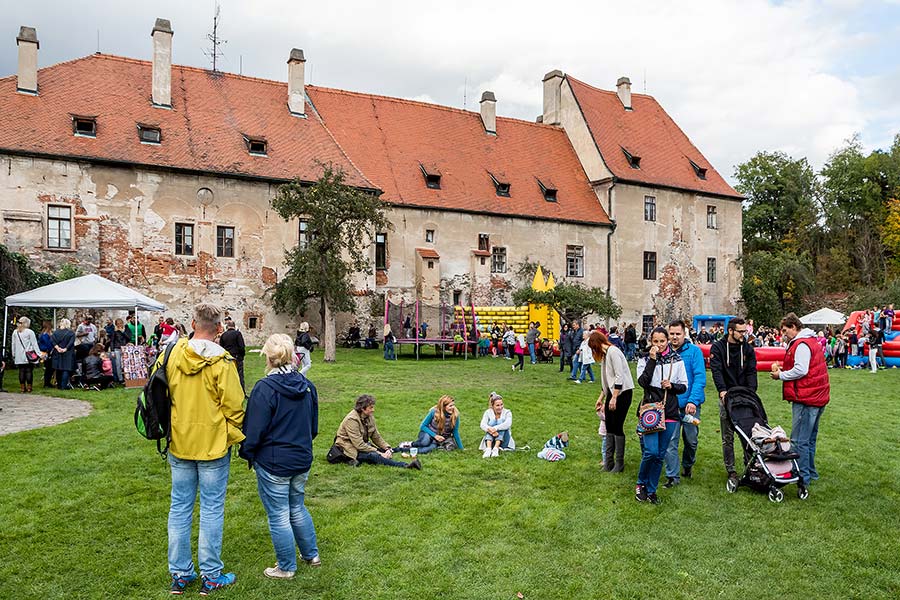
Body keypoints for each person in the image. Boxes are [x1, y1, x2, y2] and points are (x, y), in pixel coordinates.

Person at [162, 303, 245, 596]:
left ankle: (181, 573)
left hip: (181, 439)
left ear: (193, 323)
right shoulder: (221, 362)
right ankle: (210, 574)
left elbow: (161, 392)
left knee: (180, 508)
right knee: (210, 509)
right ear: (218, 328)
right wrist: (231, 432)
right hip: (211, 443)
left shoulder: (170, 355)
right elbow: (235, 406)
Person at [240, 334, 321, 580]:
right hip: (299, 456)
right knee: (296, 506)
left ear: (268, 356)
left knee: (279, 513)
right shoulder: (307, 386)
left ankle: (286, 566)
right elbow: (313, 427)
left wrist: (248, 452)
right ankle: (311, 555)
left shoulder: (266, 389)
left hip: (276, 460)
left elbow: (254, 429)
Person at [771, 313, 830, 499]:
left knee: (799, 441)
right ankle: (810, 472)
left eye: (785, 330)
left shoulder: (801, 344)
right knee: (810, 439)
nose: (784, 334)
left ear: (794, 327)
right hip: (818, 396)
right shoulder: (811, 341)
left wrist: (780, 375)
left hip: (807, 398)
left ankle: (801, 477)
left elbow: (801, 370)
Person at [635, 327, 688, 505]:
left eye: (662, 341)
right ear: (651, 341)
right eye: (655, 341)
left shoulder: (676, 360)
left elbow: (684, 386)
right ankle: (640, 483)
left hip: (670, 410)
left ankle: (651, 489)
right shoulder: (644, 358)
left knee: (660, 455)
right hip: (650, 409)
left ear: (667, 341)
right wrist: (652, 360)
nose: (658, 345)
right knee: (651, 451)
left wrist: (671, 385)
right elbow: (642, 382)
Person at [709, 318, 757, 487]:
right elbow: (717, 371)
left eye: (745, 331)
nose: (744, 334)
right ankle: (731, 470)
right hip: (727, 396)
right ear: (731, 331)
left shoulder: (748, 349)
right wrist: (722, 390)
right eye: (741, 331)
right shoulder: (718, 348)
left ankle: (751, 468)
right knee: (727, 436)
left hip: (745, 396)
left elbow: (752, 371)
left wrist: (752, 391)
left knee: (748, 435)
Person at [663, 320, 707, 487]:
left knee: (691, 439)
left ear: (684, 334)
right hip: (671, 406)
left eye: (677, 334)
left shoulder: (694, 352)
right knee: (670, 440)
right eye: (672, 334)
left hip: (690, 406)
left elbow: (700, 378)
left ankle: (687, 465)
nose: (674, 337)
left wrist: (693, 401)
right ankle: (672, 476)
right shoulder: (664, 353)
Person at [333, 395, 420, 469]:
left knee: (384, 450)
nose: (373, 410)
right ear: (363, 409)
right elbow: (358, 445)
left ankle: (395, 451)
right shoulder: (351, 420)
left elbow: (376, 436)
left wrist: (387, 448)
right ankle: (405, 465)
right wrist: (380, 453)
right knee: (373, 455)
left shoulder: (369, 416)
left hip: (362, 444)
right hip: (348, 447)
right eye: (371, 407)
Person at [592, 331, 633, 472]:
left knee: (617, 426)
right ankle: (608, 462)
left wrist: (615, 397)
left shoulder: (613, 352)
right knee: (609, 425)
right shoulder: (605, 355)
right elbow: (606, 380)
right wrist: (601, 398)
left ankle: (619, 464)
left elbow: (619, 376)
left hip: (623, 393)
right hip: (612, 392)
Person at [479, 392, 514, 458]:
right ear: (492, 406)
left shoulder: (507, 412)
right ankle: (489, 449)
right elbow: (482, 424)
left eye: (501, 404)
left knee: (501, 421)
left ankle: (496, 448)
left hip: (504, 440)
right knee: (492, 421)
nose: (500, 407)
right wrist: (491, 430)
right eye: (497, 405)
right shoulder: (488, 412)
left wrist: (495, 428)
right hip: (491, 438)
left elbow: (508, 424)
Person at [11, 316, 40, 393]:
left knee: (21, 371)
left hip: (18, 355)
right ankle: (29, 387)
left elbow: (13, 344)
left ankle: (22, 388)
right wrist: (39, 354)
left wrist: (13, 354)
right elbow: (34, 344)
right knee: (29, 371)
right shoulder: (30, 332)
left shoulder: (15, 332)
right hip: (28, 354)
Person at [219, 318, 246, 392]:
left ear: (227, 327)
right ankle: (241, 392)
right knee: (239, 375)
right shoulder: (237, 334)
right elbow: (242, 346)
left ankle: (229, 391)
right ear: (234, 326)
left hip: (227, 358)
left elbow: (221, 347)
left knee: (228, 376)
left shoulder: (223, 335)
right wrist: (242, 356)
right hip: (237, 357)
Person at [50, 318, 76, 390]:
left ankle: (58, 385)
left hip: (57, 353)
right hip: (68, 353)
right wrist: (65, 349)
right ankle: (63, 386)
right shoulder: (71, 333)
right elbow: (71, 342)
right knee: (66, 369)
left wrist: (57, 348)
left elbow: (52, 341)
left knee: (58, 369)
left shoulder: (55, 332)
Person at [38, 321, 55, 388]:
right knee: (49, 368)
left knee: (48, 368)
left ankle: (47, 382)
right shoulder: (45, 335)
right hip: (47, 352)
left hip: (44, 352)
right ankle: (47, 383)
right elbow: (48, 344)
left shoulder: (42, 334)